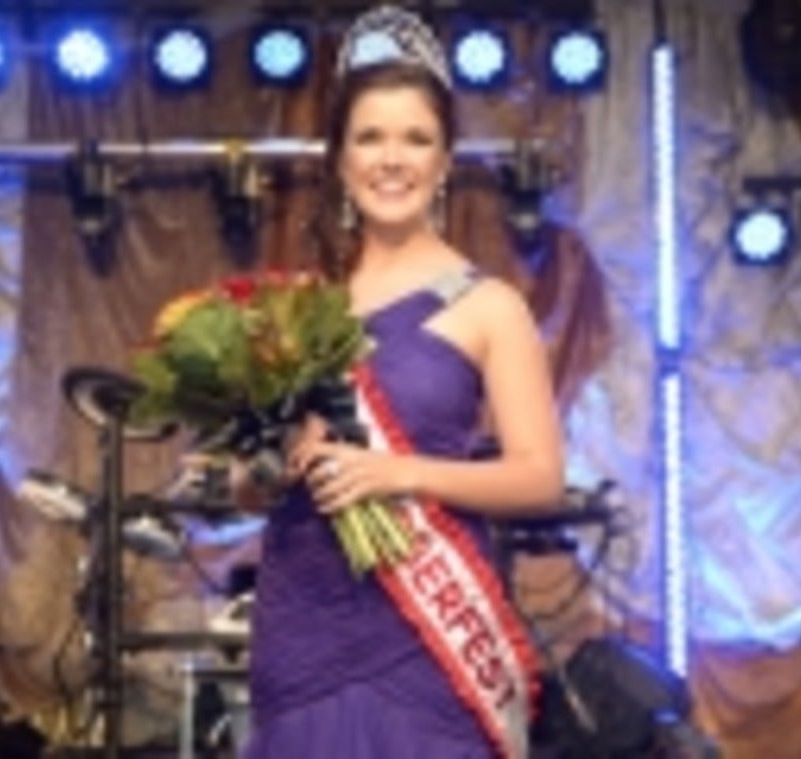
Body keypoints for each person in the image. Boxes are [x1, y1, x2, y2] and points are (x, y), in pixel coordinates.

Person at [234, 6, 564, 758]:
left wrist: (397, 473)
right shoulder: (298, 309)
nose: (393, 159)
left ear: (445, 159)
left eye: (416, 138)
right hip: (301, 628)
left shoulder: (489, 305)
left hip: (424, 644)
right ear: (341, 159)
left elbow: (541, 477)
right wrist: (272, 458)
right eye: (370, 137)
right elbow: (245, 488)